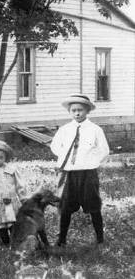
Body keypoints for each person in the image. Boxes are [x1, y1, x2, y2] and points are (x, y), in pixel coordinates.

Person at [50, 94, 109, 247]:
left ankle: (100, 239)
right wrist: (65, 157)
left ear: (87, 110)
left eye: (80, 110)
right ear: (69, 112)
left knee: (93, 204)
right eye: (73, 110)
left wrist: (91, 161)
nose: (77, 113)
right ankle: (61, 239)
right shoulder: (65, 129)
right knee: (65, 206)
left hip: (88, 173)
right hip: (69, 173)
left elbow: (103, 150)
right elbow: (55, 146)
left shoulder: (95, 130)